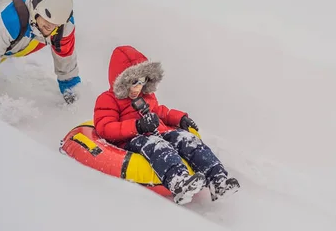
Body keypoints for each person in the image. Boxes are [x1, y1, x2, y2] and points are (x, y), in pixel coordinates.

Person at [94, 45, 240, 205]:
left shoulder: (146, 96)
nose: (138, 87)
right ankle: (179, 183)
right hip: (133, 139)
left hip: (158, 132)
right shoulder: (108, 99)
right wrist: (137, 126)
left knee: (187, 140)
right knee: (158, 147)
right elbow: (105, 127)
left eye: (142, 81)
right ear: (122, 81)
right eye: (134, 82)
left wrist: (179, 119)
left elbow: (160, 112)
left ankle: (217, 179)